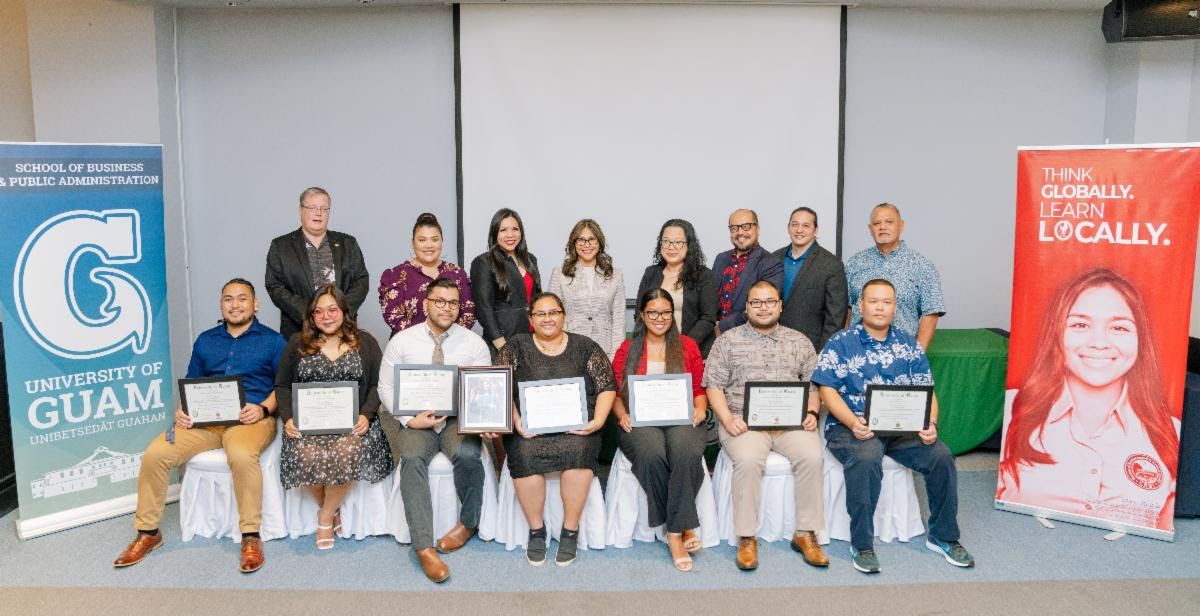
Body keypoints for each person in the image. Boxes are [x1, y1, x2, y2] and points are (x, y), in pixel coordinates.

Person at [114, 279, 285, 573]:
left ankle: (250, 535)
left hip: (251, 419)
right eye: (228, 299)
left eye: (242, 299)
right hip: (204, 421)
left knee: (242, 455)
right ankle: (148, 533)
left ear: (255, 304)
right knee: (156, 452)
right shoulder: (206, 340)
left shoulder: (273, 341)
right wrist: (182, 410)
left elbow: (283, 387)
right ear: (221, 305)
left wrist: (262, 409)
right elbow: (192, 382)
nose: (235, 305)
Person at [998, 268, 1179, 531]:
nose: (1099, 342)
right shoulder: (1015, 410)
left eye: (1118, 327)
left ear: (1141, 338)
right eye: (1080, 325)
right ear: (1057, 332)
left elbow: (1162, 528)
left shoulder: (1169, 431)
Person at [813, 279, 973, 574]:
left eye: (886, 302)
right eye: (873, 301)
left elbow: (928, 391)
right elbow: (826, 391)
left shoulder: (908, 345)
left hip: (902, 430)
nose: (879, 307)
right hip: (852, 427)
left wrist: (931, 423)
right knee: (865, 457)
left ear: (894, 307)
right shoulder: (841, 342)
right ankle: (861, 544)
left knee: (941, 457)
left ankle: (943, 536)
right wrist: (852, 421)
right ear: (861, 305)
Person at [703, 280, 828, 571]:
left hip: (791, 422)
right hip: (742, 422)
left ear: (780, 306)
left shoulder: (800, 341)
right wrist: (727, 419)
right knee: (747, 460)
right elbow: (713, 386)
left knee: (812, 457)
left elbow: (815, 383)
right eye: (756, 302)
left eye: (769, 302)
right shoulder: (728, 340)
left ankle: (806, 532)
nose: (763, 308)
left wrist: (811, 409)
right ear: (746, 307)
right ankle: (747, 536)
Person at [377, 278, 493, 582]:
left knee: (468, 454)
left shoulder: (473, 344)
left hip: (457, 420)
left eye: (453, 303)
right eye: (440, 301)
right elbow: (386, 387)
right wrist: (408, 420)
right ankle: (424, 547)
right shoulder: (402, 341)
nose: (447, 308)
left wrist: (484, 422)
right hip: (416, 419)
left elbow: (484, 391)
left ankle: (468, 523)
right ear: (426, 303)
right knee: (412, 458)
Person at [497, 293, 617, 567]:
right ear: (530, 319)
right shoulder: (516, 346)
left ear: (564, 315)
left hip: (577, 428)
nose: (548, 318)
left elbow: (606, 385)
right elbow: (498, 383)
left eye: (553, 312)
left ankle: (570, 531)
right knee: (524, 454)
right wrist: (515, 421)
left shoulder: (585, 346)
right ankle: (536, 531)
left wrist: (597, 421)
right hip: (529, 429)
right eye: (540, 313)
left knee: (578, 450)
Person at [275, 285, 391, 550]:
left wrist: (366, 414)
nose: (326, 317)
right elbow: (281, 385)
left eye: (332, 310)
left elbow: (378, 385)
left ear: (344, 311)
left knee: (346, 450)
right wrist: (289, 418)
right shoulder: (297, 343)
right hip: (309, 424)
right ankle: (331, 509)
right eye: (319, 312)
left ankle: (325, 516)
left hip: (353, 424)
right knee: (303, 455)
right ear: (311, 316)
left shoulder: (365, 342)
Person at [611, 288, 708, 572]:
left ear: (672, 315)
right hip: (640, 420)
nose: (659, 318)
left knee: (686, 451)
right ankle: (681, 529)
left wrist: (700, 409)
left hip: (680, 418)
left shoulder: (687, 345)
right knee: (652, 454)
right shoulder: (628, 348)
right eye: (652, 312)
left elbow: (699, 389)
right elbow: (616, 391)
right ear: (642, 315)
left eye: (665, 312)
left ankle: (674, 530)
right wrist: (622, 414)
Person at [265, 186, 370, 340]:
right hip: (299, 331)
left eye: (324, 208)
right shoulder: (281, 246)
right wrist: (310, 313)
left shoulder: (348, 243)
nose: (318, 213)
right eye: (312, 207)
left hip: (343, 332)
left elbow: (361, 280)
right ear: (301, 210)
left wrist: (339, 312)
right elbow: (275, 286)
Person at [844, 203, 944, 349]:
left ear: (901, 225)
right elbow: (846, 308)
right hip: (858, 351)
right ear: (870, 229)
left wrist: (917, 354)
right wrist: (846, 346)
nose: (882, 227)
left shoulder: (922, 266)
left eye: (889, 222)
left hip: (902, 352)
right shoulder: (854, 264)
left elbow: (931, 312)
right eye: (877, 223)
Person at [378, 213, 475, 337]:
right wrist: (426, 340)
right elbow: (394, 316)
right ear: (413, 243)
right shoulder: (397, 275)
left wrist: (445, 339)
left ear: (441, 242)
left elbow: (468, 313)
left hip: (452, 346)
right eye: (422, 240)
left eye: (434, 239)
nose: (429, 245)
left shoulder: (457, 274)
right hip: (409, 345)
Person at [637, 219, 719, 356]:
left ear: (689, 245)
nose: (671, 247)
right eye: (666, 241)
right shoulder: (651, 273)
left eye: (678, 242)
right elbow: (640, 313)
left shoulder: (704, 275)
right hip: (654, 351)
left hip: (693, 351)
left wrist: (684, 346)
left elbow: (708, 317)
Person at [548, 219, 626, 359]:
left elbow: (619, 322)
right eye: (581, 240)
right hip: (569, 350)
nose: (587, 245)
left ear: (599, 242)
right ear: (574, 243)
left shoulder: (616, 275)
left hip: (605, 351)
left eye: (592, 239)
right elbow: (553, 317)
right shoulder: (559, 273)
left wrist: (615, 357)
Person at [773, 206, 848, 352]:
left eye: (806, 226)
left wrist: (823, 354)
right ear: (788, 227)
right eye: (795, 224)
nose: (799, 230)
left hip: (810, 348)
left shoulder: (831, 264)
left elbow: (836, 318)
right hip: (773, 345)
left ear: (816, 230)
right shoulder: (774, 258)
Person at [470, 208, 541, 356]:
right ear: (495, 233)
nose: (510, 235)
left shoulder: (530, 260)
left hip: (532, 338)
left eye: (515, 229)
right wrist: (503, 347)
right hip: (503, 340)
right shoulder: (483, 262)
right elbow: (484, 309)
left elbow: (537, 299)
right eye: (503, 230)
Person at [712, 209, 783, 338]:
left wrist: (722, 326)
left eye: (746, 227)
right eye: (734, 228)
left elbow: (764, 305)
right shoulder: (721, 258)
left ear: (758, 229)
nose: (740, 232)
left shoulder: (771, 263)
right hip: (713, 339)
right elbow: (710, 298)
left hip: (749, 339)